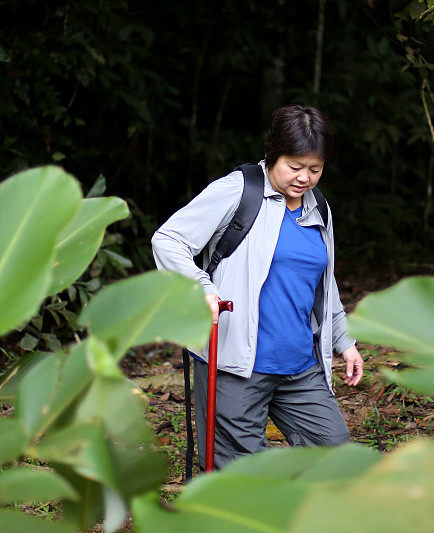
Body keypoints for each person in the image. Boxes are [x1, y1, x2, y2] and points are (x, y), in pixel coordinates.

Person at [151, 105, 363, 469]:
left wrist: (344, 341)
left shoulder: (319, 208)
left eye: (315, 169)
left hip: (299, 363)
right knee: (241, 469)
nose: (304, 178)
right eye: (294, 166)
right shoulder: (238, 191)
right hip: (236, 362)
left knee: (333, 449)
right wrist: (201, 287)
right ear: (271, 154)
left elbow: (321, 284)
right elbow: (168, 240)